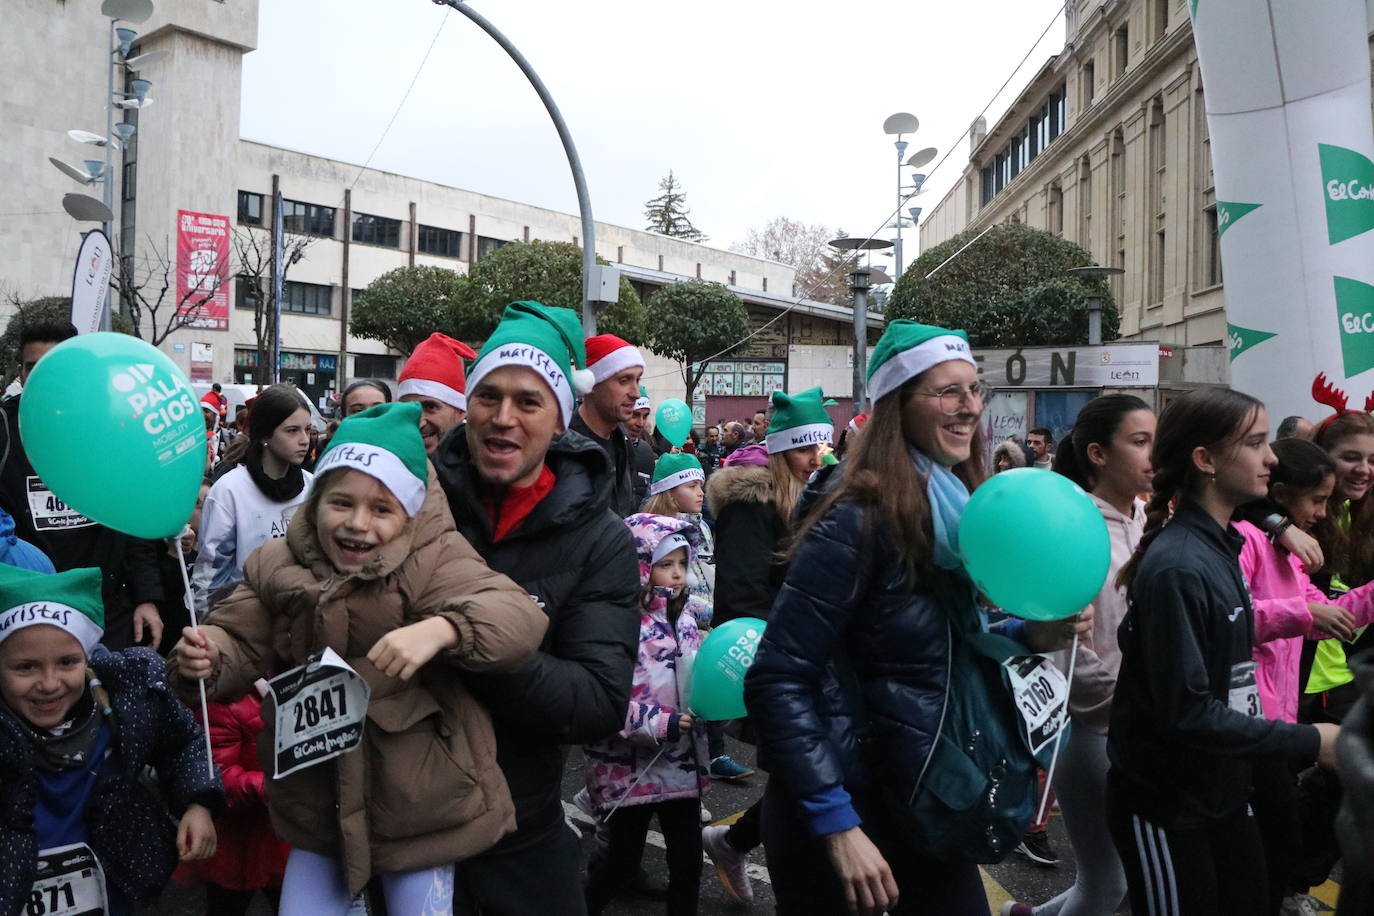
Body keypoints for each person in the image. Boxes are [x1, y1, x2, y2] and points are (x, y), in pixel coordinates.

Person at [744, 320, 1085, 916]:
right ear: (899, 404)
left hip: (924, 794)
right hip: (850, 811)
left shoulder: (955, 513)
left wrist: (1028, 635)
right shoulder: (856, 519)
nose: (970, 405)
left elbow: (940, 647)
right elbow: (779, 676)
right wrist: (836, 824)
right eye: (948, 391)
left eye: (975, 389)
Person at [173, 402, 548, 916]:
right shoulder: (281, 562)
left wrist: (444, 629)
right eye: (341, 503)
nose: (357, 524)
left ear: (411, 512)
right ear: (316, 499)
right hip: (317, 797)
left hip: (421, 803)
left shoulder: (437, 557)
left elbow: (516, 617)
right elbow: (239, 633)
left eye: (381, 509)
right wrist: (208, 656)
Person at [430, 301, 641, 916]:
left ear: (559, 422)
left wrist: (464, 639)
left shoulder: (602, 540)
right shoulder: (409, 502)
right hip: (397, 819)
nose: (502, 418)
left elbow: (599, 700)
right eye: (487, 397)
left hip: (518, 830)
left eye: (528, 401)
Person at [1106, 389, 1340, 916]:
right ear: (1205, 461)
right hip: (1170, 805)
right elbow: (1186, 711)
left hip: (1225, 791)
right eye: (1255, 443)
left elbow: (1231, 684)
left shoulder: (1222, 547)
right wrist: (1309, 739)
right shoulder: (1180, 566)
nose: (1272, 457)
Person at [1002, 394, 1155, 916]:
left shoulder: (1147, 519)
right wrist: (1126, 708)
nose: (1153, 454)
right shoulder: (1072, 525)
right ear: (1097, 453)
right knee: (1106, 883)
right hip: (1094, 729)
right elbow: (1071, 643)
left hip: (1142, 726)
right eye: (1139, 442)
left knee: (1129, 878)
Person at [0, 565, 222, 916]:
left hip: (113, 888)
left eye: (67, 662)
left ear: (87, 657)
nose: (49, 682)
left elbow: (182, 743)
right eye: (25, 667)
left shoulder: (127, 704)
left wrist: (199, 802)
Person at [698, 386, 832, 904]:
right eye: (804, 449)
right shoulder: (751, 504)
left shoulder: (813, 495)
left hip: (811, 658)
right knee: (800, 775)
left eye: (821, 448)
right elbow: (742, 597)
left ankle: (731, 842)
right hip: (776, 662)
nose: (814, 459)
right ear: (778, 450)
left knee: (802, 777)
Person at [1233, 437, 1374, 914]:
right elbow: (1231, 615)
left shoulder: (1290, 554)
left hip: (1280, 721)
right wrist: (1303, 611)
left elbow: (1330, 614)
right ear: (1281, 494)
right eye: (1316, 501)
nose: (1321, 513)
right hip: (1249, 722)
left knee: (1274, 848)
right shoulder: (1248, 540)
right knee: (1262, 854)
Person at [0, 320, 166, 650]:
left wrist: (147, 596)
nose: (43, 377)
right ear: (20, 373)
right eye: (33, 367)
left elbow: (133, 519)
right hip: (26, 613)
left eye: (55, 366)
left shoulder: (113, 427)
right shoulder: (3, 430)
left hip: (106, 610)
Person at [584, 513, 710, 915]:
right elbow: (600, 700)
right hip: (630, 772)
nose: (676, 574)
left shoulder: (686, 619)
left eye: (681, 564)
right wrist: (659, 723)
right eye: (664, 564)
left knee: (689, 863)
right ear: (640, 565)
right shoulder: (619, 625)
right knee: (620, 864)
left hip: (681, 767)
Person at [643, 453, 752, 783]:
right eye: (692, 486)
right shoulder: (654, 530)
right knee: (678, 700)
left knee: (703, 695)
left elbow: (704, 573)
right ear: (669, 491)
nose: (701, 493)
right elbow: (674, 586)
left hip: (699, 624)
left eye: (701, 485)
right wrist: (710, 612)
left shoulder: (700, 525)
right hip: (675, 624)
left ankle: (704, 765)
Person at [191, 384, 314, 618]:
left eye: (308, 430)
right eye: (292, 431)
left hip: (299, 619)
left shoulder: (312, 486)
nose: (304, 440)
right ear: (265, 435)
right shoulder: (230, 490)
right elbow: (210, 574)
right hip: (244, 622)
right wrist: (211, 628)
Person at [175, 683, 291, 916]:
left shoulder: (295, 685)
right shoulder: (224, 702)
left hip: (287, 833)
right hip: (239, 841)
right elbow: (219, 776)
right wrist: (271, 787)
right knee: (227, 904)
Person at [571, 334, 645, 517]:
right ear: (592, 384)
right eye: (624, 380)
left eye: (638, 380)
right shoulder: (564, 447)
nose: (636, 393)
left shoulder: (623, 441)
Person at [398, 332, 478, 457]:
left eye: (430, 407)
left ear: (461, 412)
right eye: (407, 409)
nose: (419, 423)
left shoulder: (484, 469)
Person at [627, 387, 657, 506]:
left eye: (645, 416)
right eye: (635, 415)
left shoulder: (645, 451)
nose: (641, 423)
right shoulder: (603, 447)